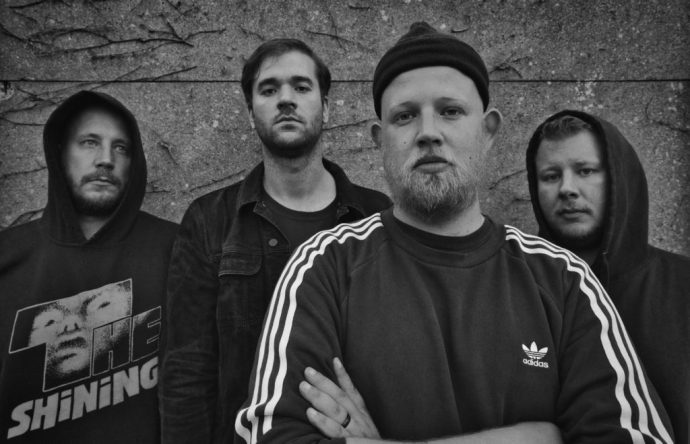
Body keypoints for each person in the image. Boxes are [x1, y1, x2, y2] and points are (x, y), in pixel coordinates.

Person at [234, 22, 674, 444]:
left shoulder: (564, 278)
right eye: (405, 116)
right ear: (379, 139)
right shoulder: (323, 267)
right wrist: (534, 437)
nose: (428, 133)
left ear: (488, 131)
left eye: (450, 111)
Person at [160, 38, 391, 443]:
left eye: (301, 87)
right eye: (269, 90)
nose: (286, 99)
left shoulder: (376, 217)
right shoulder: (210, 220)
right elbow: (186, 372)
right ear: (252, 113)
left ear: (326, 106)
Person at [0, 90, 178, 442]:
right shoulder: (7, 254)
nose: (106, 159)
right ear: (59, 154)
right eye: (89, 143)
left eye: (121, 147)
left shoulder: (177, 248)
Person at [525, 110, 689, 443]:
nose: (567, 189)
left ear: (618, 176)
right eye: (551, 176)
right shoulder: (520, 290)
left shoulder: (682, 285)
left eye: (586, 171)